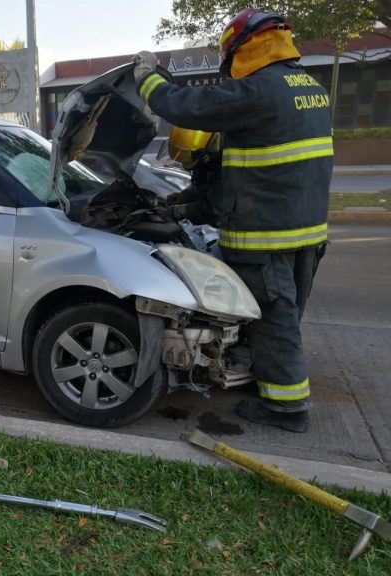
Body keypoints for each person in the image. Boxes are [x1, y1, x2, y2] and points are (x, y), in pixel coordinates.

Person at [131, 8, 333, 433]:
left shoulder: (258, 91)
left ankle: (286, 408)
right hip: (306, 232)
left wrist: (148, 77)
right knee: (286, 315)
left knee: (275, 322)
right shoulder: (308, 87)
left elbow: (184, 106)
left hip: (267, 235)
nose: (229, 70)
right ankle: (273, 381)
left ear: (244, 48)